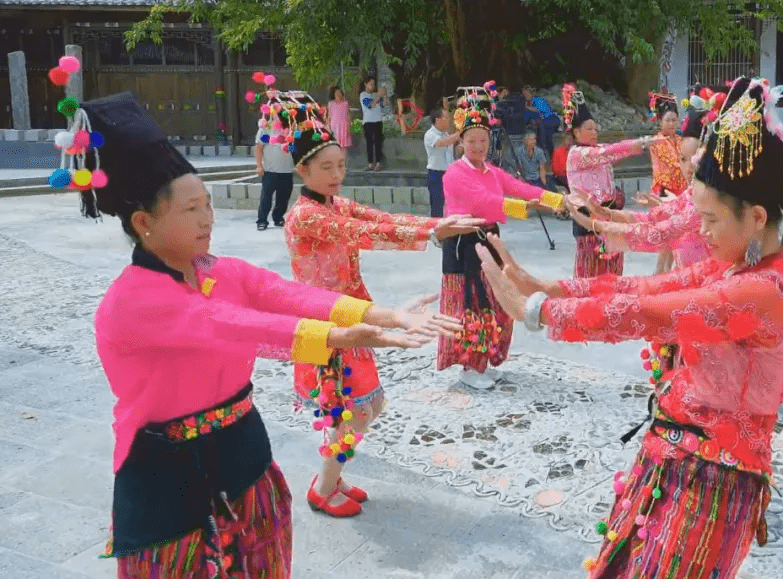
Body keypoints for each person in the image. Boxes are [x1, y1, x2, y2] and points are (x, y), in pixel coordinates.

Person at [72, 91, 457, 577]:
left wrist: (386, 316)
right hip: (167, 472)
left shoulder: (216, 269)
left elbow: (280, 293)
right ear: (145, 223)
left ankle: (329, 481)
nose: (208, 218)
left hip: (242, 453)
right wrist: (342, 336)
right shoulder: (133, 300)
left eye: (208, 205)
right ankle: (328, 482)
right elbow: (227, 325)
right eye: (191, 210)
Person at [475, 77, 783, 579]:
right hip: (677, 455)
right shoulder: (733, 267)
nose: (703, 232)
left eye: (710, 221)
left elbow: (652, 315)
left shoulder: (763, 292)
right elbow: (645, 292)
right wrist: (548, 287)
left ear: (756, 217)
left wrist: (541, 312)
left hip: (714, 480)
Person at [278, 91, 483, 517]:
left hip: (352, 313)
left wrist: (435, 224)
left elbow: (378, 219)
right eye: (326, 168)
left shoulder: (333, 202)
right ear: (302, 170)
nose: (337, 174)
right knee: (348, 411)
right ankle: (324, 486)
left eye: (340, 165)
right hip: (327, 324)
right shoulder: (307, 215)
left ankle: (331, 478)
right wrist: (432, 234)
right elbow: (362, 234)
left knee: (365, 406)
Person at [437, 85, 565, 390]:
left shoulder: (492, 171)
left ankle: (485, 361)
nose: (478, 146)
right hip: (463, 246)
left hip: (490, 243)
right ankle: (469, 366)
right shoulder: (454, 174)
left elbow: (520, 187)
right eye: (472, 141)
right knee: (472, 305)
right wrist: (525, 207)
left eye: (483, 140)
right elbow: (485, 202)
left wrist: (558, 201)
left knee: (496, 303)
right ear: (461, 142)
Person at [563, 83, 659, 278]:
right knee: (591, 270)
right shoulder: (577, 154)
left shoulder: (596, 150)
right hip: (588, 218)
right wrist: (640, 142)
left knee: (613, 269)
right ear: (575, 132)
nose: (594, 132)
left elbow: (610, 153)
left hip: (609, 214)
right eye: (589, 129)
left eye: (595, 129)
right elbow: (610, 152)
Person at [646, 92, 686, 275]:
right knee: (667, 238)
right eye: (668, 120)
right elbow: (674, 164)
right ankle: (660, 272)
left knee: (676, 238)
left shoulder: (681, 140)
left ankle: (668, 273)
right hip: (664, 191)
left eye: (674, 120)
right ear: (660, 121)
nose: (671, 124)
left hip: (681, 191)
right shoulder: (656, 141)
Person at [254, 101, 295, 231]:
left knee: (284, 197)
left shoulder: (290, 129)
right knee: (266, 196)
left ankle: (278, 218)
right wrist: (259, 165)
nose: (278, 114)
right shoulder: (267, 128)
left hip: (287, 169)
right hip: (271, 170)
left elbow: (295, 148)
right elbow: (259, 147)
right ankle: (262, 220)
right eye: (275, 111)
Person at [425, 106, 460, 217]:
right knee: (437, 205)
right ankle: (437, 230)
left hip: (450, 173)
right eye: (446, 117)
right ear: (438, 119)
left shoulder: (446, 134)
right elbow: (442, 143)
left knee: (453, 203)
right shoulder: (430, 134)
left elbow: (454, 149)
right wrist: (459, 133)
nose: (449, 120)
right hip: (436, 174)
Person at [523, 85, 561, 157]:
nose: (526, 96)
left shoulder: (538, 100)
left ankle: (543, 151)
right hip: (544, 123)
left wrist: (527, 107)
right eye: (524, 94)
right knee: (547, 134)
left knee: (542, 127)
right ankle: (549, 154)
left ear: (531, 93)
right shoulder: (528, 104)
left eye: (527, 94)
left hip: (551, 119)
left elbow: (540, 110)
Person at [359, 76, 387, 171]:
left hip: (378, 120)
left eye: (373, 84)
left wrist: (384, 95)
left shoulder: (376, 94)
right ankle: (370, 163)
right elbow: (371, 106)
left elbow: (384, 105)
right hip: (368, 121)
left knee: (378, 142)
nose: (373, 86)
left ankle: (378, 163)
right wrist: (378, 96)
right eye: (371, 84)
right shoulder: (363, 95)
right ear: (365, 84)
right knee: (369, 143)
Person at [326, 86, 353, 150]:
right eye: (337, 93)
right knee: (335, 143)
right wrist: (327, 126)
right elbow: (329, 115)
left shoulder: (345, 103)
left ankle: (343, 158)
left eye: (340, 93)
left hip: (344, 126)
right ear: (333, 94)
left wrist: (349, 125)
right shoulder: (330, 103)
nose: (338, 95)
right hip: (334, 126)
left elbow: (348, 115)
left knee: (344, 145)